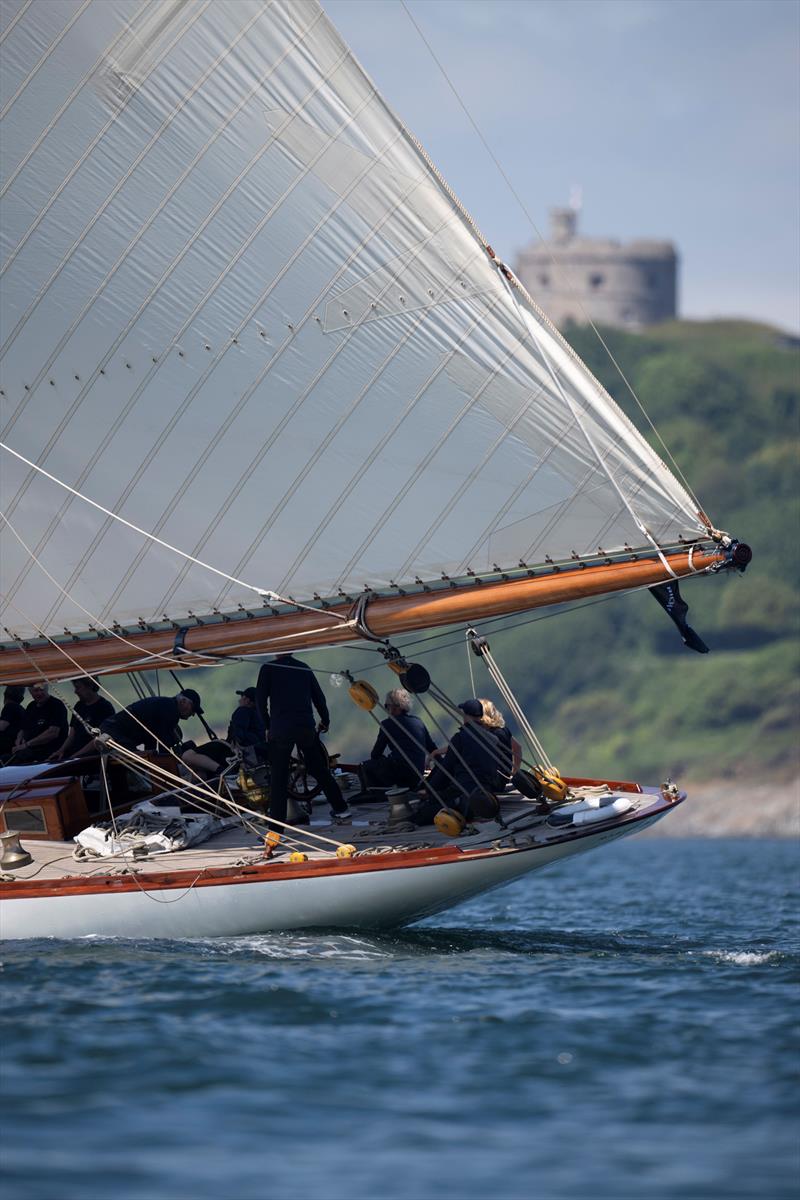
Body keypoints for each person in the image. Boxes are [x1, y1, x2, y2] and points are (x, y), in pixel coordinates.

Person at [256, 653, 350, 830]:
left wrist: (267, 726)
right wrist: (325, 720)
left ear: (275, 652)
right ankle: (340, 808)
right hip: (305, 726)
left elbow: (260, 702)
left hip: (280, 729)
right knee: (319, 768)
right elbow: (318, 697)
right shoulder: (303, 667)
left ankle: (276, 828)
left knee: (279, 777)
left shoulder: (267, 669)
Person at [419, 698, 499, 821]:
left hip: (464, 796)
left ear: (465, 714)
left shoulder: (460, 738)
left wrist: (429, 790)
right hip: (486, 798)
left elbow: (446, 769)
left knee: (421, 814)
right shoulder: (493, 739)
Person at [359, 688, 436, 793]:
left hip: (402, 773)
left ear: (395, 707)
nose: (386, 709)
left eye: (386, 706)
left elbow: (375, 754)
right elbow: (431, 747)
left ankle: (375, 795)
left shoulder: (387, 724)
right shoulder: (418, 722)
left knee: (364, 767)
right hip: (418, 773)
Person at [92, 688, 203, 755]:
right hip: (113, 734)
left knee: (141, 759)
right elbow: (164, 745)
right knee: (136, 761)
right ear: (183, 701)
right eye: (193, 709)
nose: (193, 714)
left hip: (109, 729)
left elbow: (151, 742)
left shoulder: (165, 705)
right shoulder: (171, 710)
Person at [49, 677, 116, 761]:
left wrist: (75, 757)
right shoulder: (79, 705)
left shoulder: (105, 707)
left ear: (90, 686)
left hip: (91, 756)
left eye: (78, 687)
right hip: (74, 753)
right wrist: (60, 751)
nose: (75, 691)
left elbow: (100, 739)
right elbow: (72, 735)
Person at [12, 682, 69, 763]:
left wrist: (26, 745)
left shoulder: (56, 705)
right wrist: (19, 740)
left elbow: (52, 733)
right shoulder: (31, 706)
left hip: (49, 752)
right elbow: (23, 728)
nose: (39, 693)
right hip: (29, 750)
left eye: (42, 690)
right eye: (36, 690)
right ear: (30, 692)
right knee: (6, 757)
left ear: (46, 689)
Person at [478, 698, 522, 792]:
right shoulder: (503, 730)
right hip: (503, 778)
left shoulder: (486, 735)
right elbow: (518, 748)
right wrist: (514, 772)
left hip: (492, 782)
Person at [227, 687, 268, 761]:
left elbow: (239, 735)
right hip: (259, 750)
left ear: (247, 700)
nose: (239, 700)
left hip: (247, 752)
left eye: (242, 697)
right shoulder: (260, 714)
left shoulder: (242, 711)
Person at [0, 685, 26, 762]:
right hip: (15, 743)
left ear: (5, 695)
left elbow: (2, 726)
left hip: (8, 744)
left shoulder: (10, 707)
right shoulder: (20, 708)